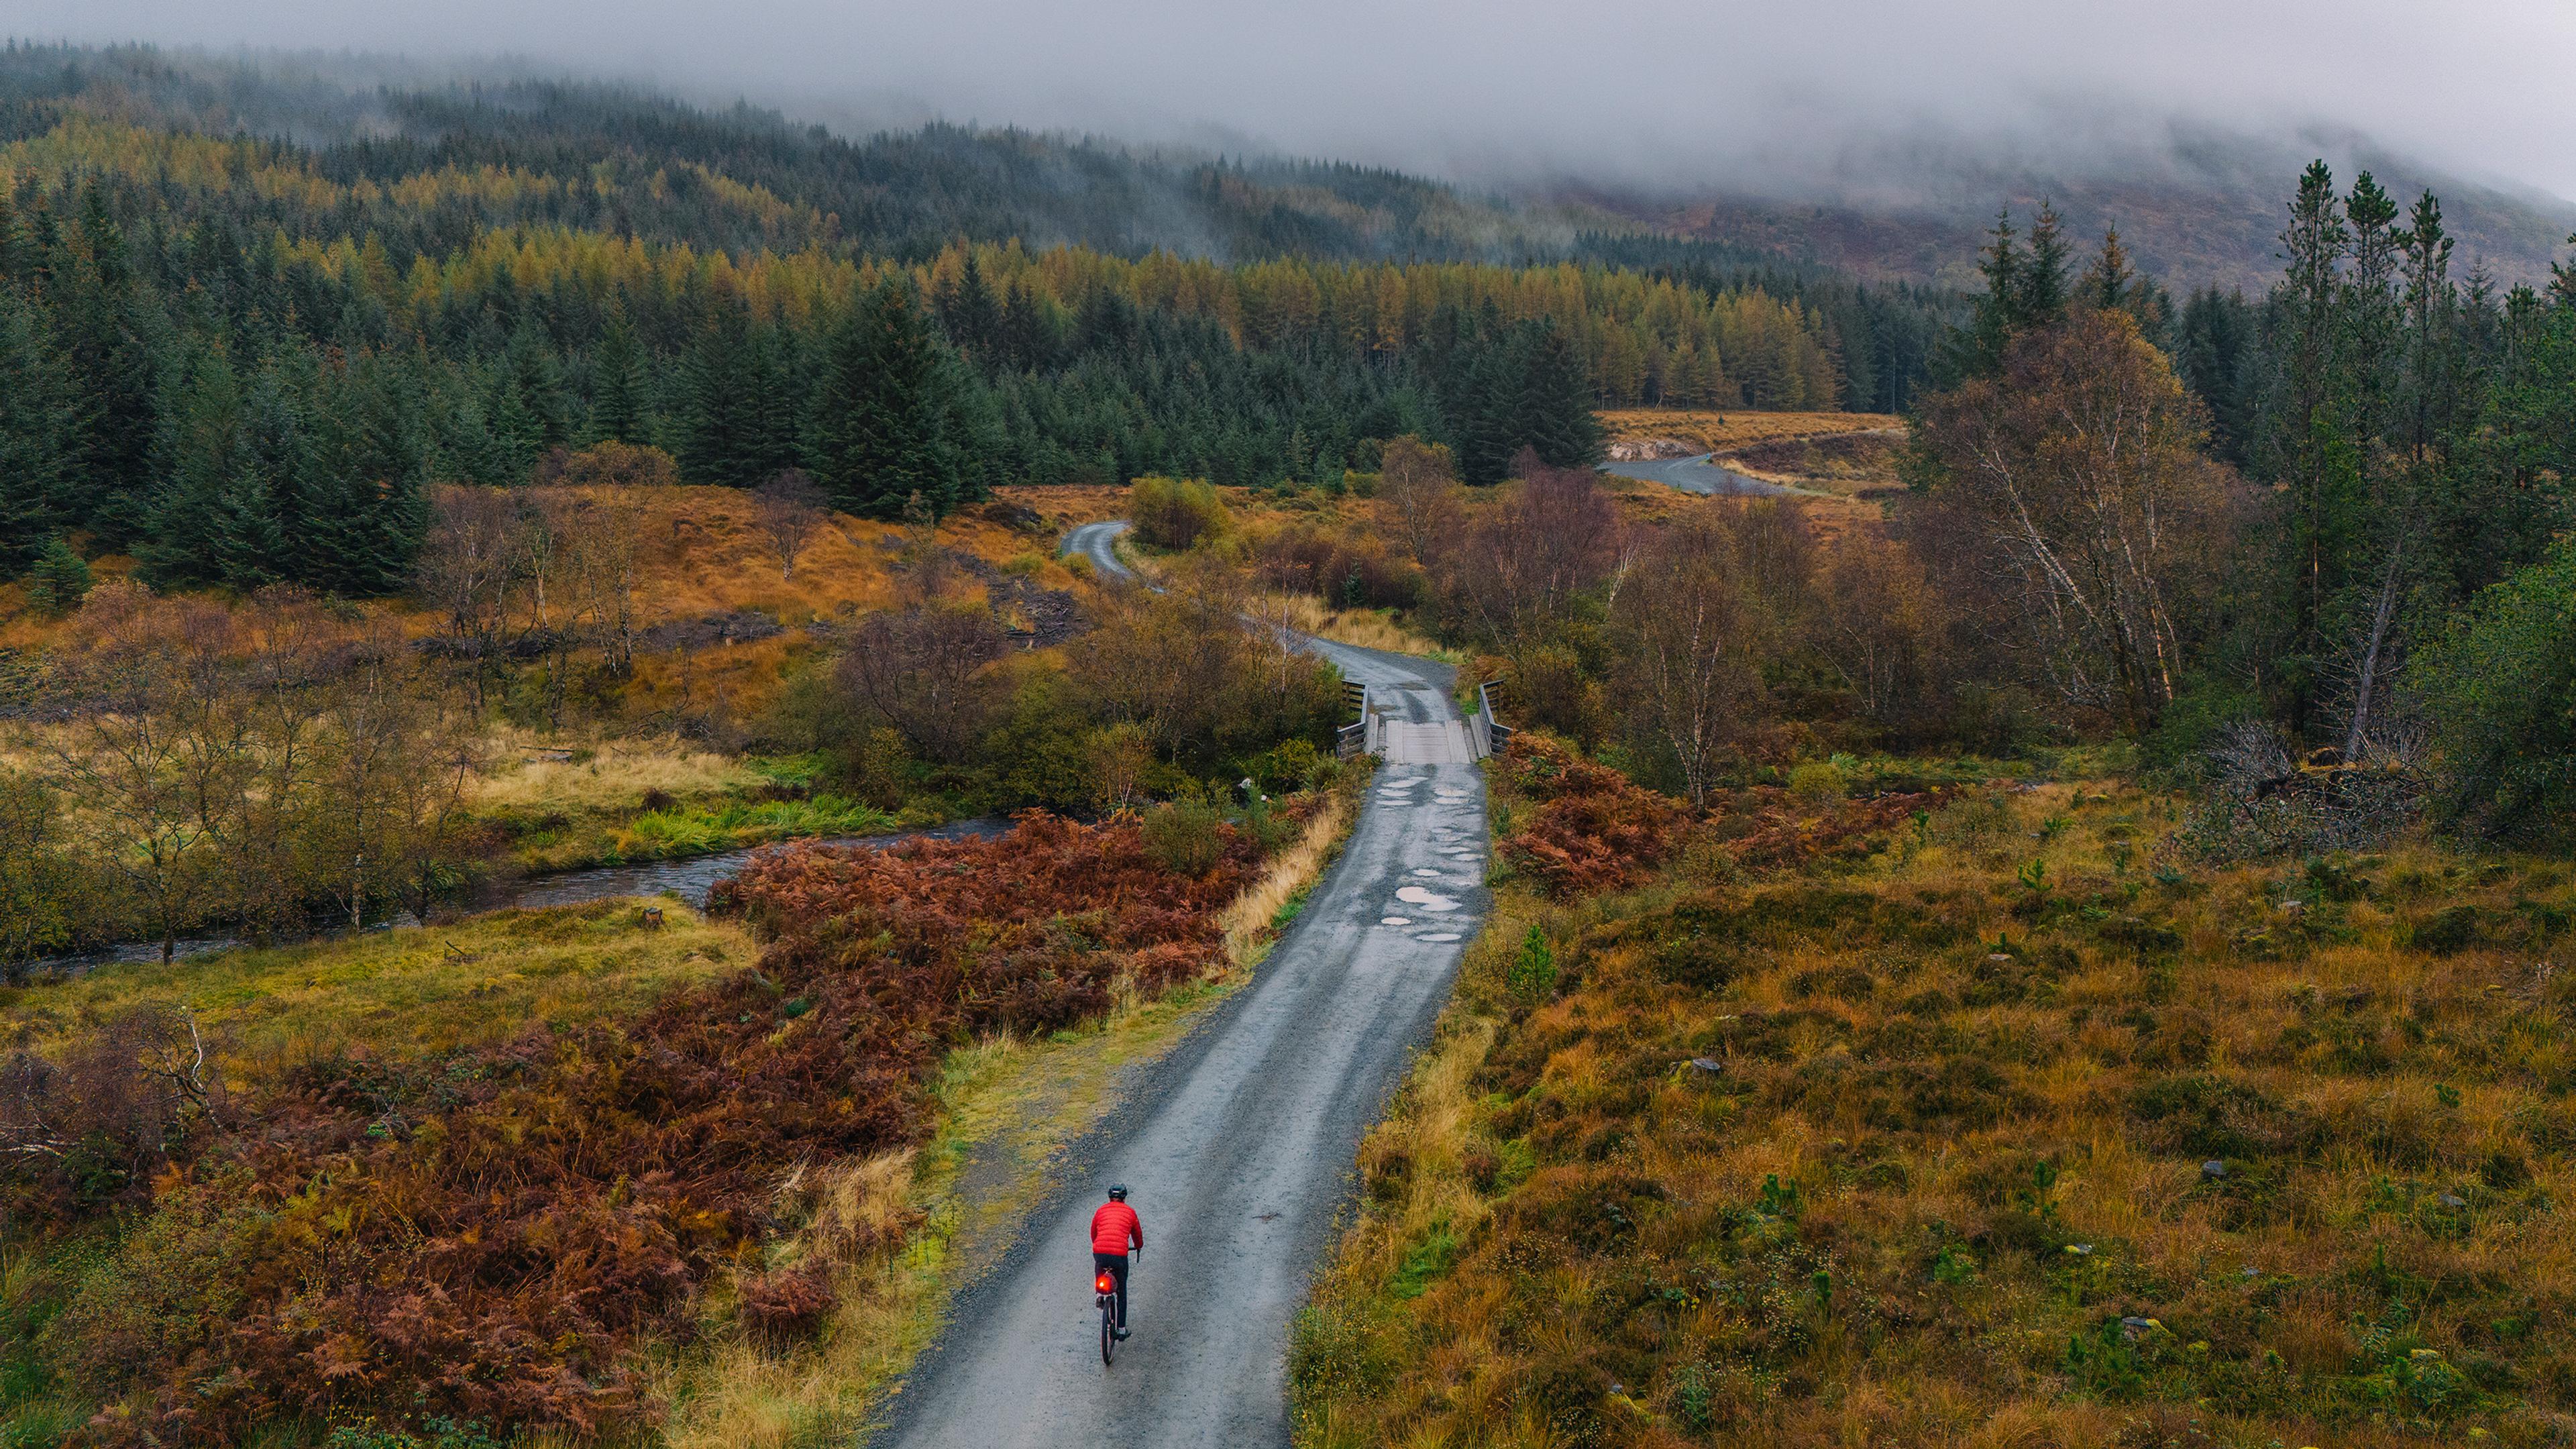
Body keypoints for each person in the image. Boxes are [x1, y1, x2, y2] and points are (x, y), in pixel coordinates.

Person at [1090, 1184, 1142, 1338]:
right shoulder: (1130, 1213)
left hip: (1100, 1251)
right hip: (1119, 1255)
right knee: (1121, 1291)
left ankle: (1099, 1294)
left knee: (1099, 1268)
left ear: (1109, 1197)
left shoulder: (1101, 1211)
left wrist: (1098, 1245)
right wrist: (1138, 1247)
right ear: (1124, 1198)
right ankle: (1121, 1329)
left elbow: (1094, 1232)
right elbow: (1137, 1235)